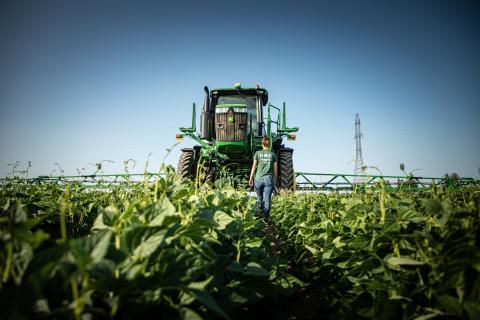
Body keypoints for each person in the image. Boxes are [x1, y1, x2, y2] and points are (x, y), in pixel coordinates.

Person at [249, 135, 278, 221]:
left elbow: (254, 167)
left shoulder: (257, 153)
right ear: (269, 145)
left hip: (258, 179)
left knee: (259, 200)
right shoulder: (273, 154)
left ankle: (258, 218)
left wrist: (251, 178)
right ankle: (265, 218)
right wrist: (275, 179)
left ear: (262, 144)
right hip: (269, 180)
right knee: (267, 200)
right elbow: (276, 169)